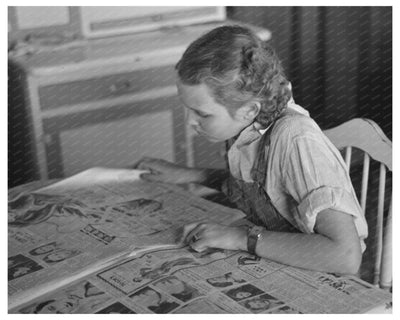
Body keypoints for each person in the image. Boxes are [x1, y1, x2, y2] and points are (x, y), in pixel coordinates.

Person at [136, 25, 368, 275]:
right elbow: (264, 188)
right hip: (275, 256)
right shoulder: (247, 126)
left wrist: (241, 238)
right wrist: (189, 174)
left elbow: (345, 256)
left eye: (201, 113)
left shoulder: (296, 141)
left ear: (249, 109)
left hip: (319, 269)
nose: (189, 122)